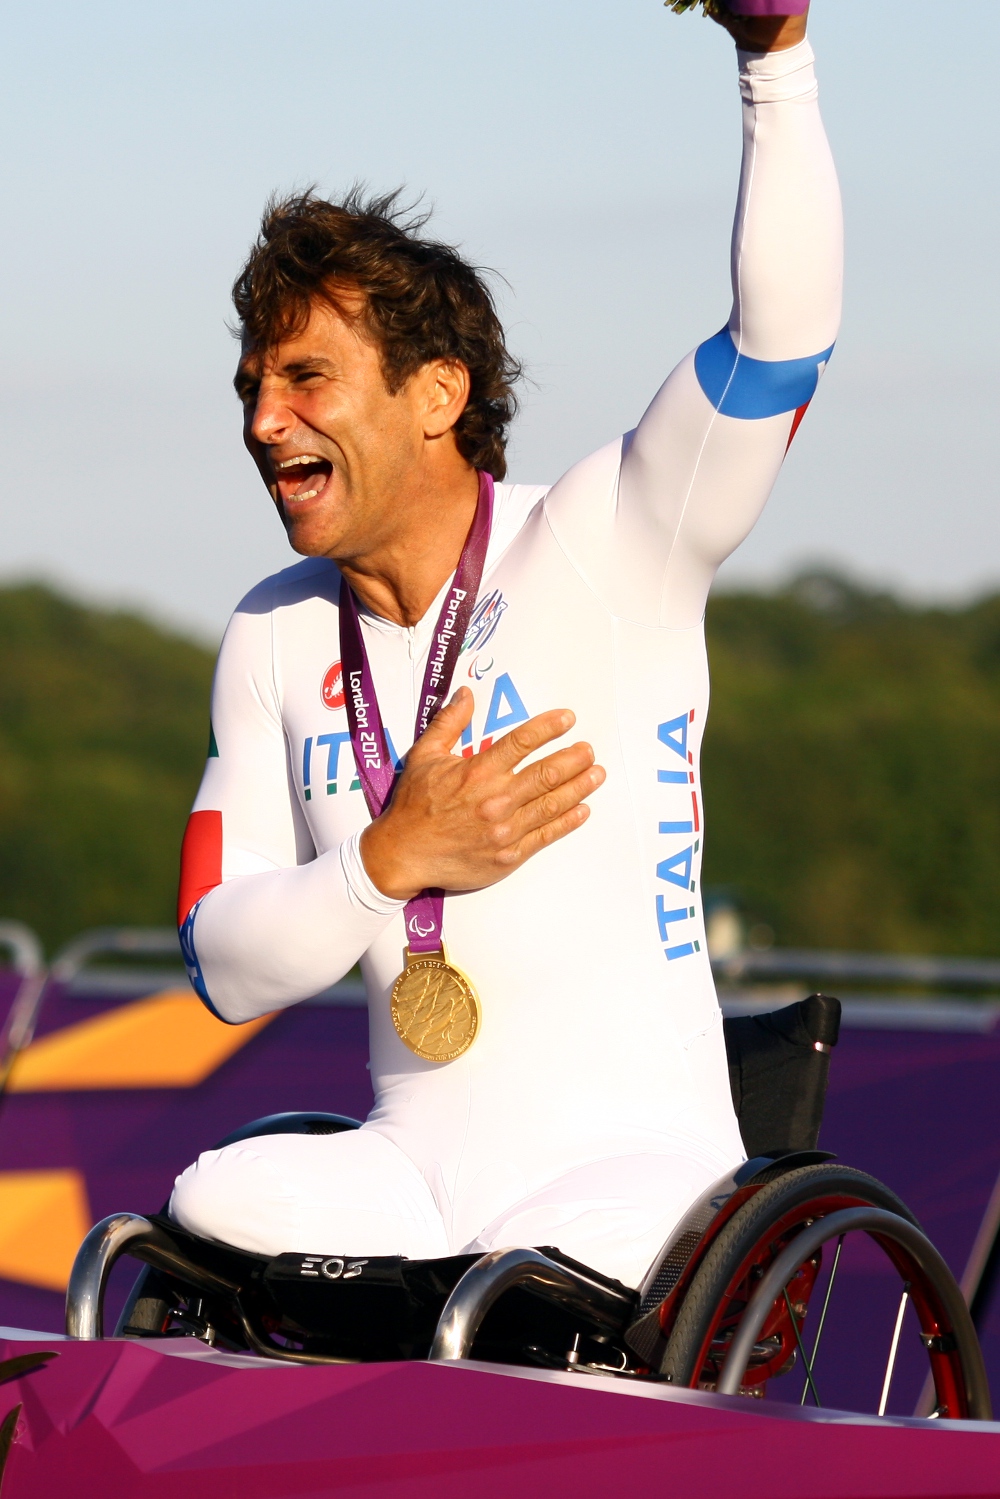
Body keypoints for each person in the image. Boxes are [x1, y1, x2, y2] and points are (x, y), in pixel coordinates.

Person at [171, 3, 841, 1291]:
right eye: (252, 386)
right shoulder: (271, 632)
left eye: (307, 379)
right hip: (413, 1170)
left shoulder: (611, 532)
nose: (264, 420)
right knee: (208, 1202)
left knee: (523, 1278)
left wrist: (776, 63)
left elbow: (780, 348)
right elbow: (219, 961)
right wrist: (387, 860)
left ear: (439, 392)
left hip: (635, 1174)